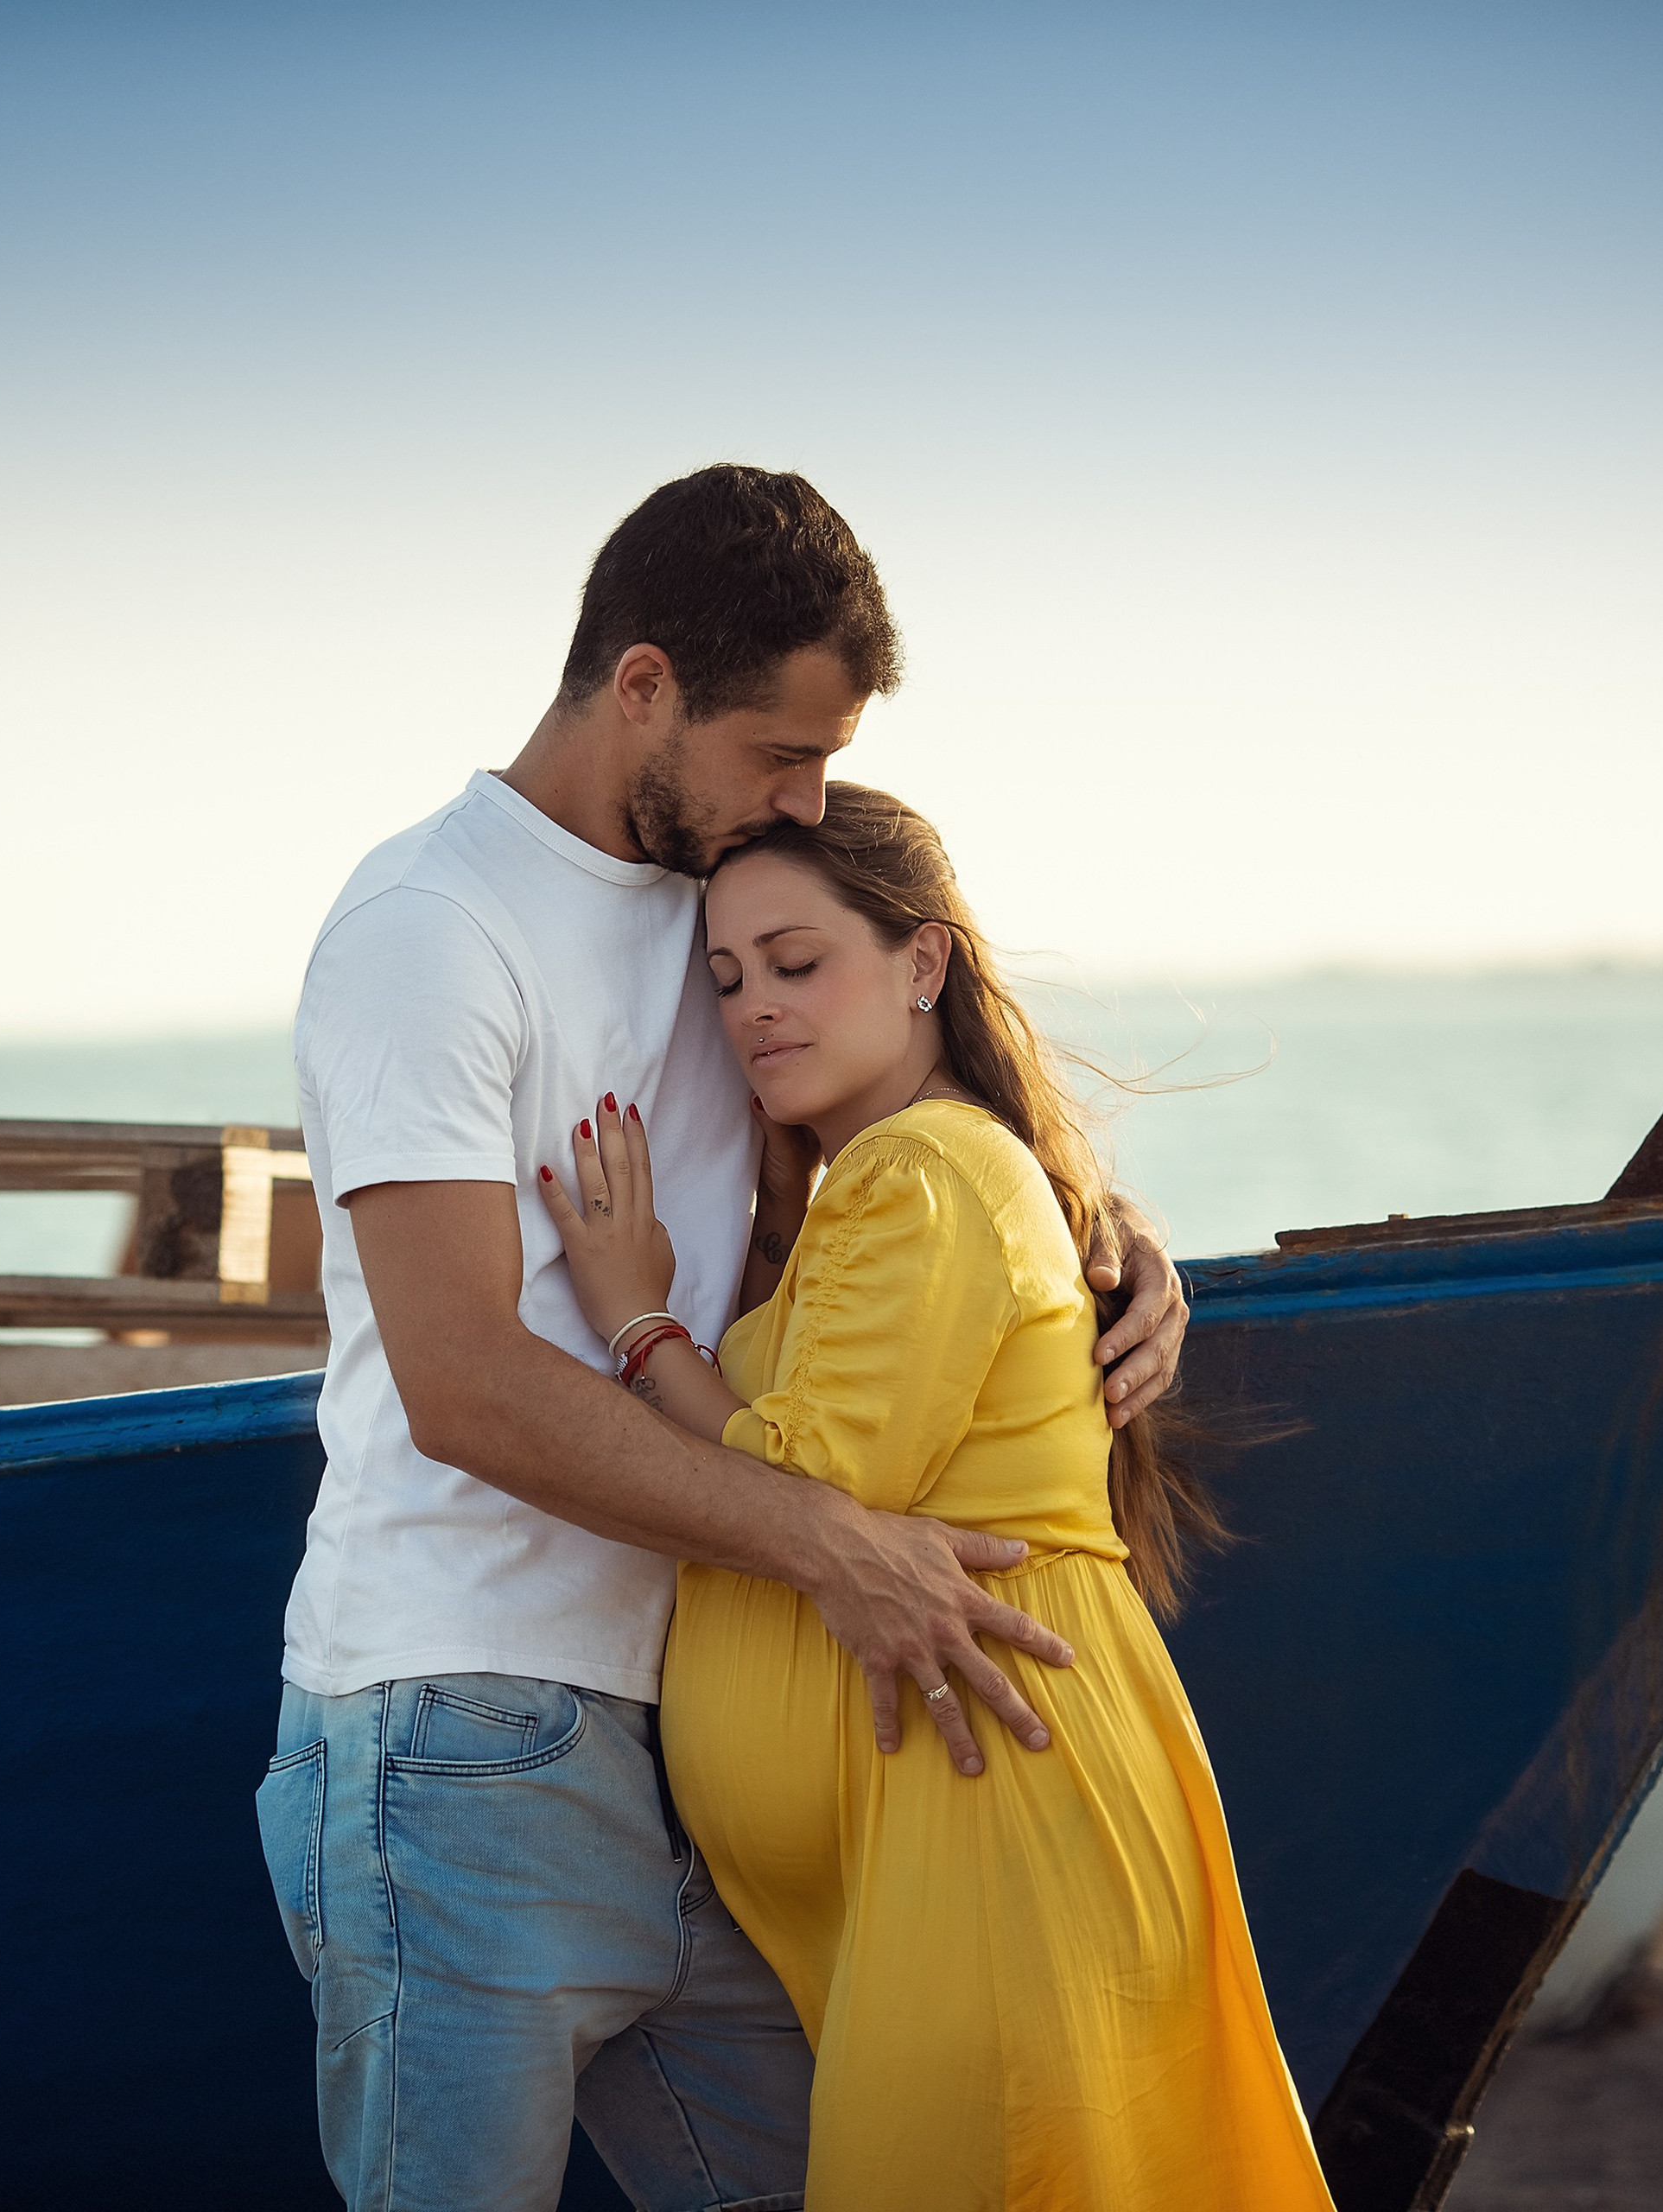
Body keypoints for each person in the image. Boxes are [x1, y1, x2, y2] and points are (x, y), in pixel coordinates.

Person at [258, 466, 1190, 2212]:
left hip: (681, 1725)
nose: (807, 793)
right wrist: (836, 1546)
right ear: (640, 687)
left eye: (825, 761)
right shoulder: (426, 930)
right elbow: (458, 1379)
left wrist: (1085, 1238)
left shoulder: (719, 908)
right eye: (780, 752)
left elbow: (868, 1147)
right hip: (459, 1731)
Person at [535, 785, 1334, 2211]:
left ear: (923, 963)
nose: (755, 1010)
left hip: (990, 1818)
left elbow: (804, 1486)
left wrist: (636, 1320)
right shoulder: (905, 1175)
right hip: (948, 1836)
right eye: (724, 982)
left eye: (797, 962)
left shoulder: (927, 1167)